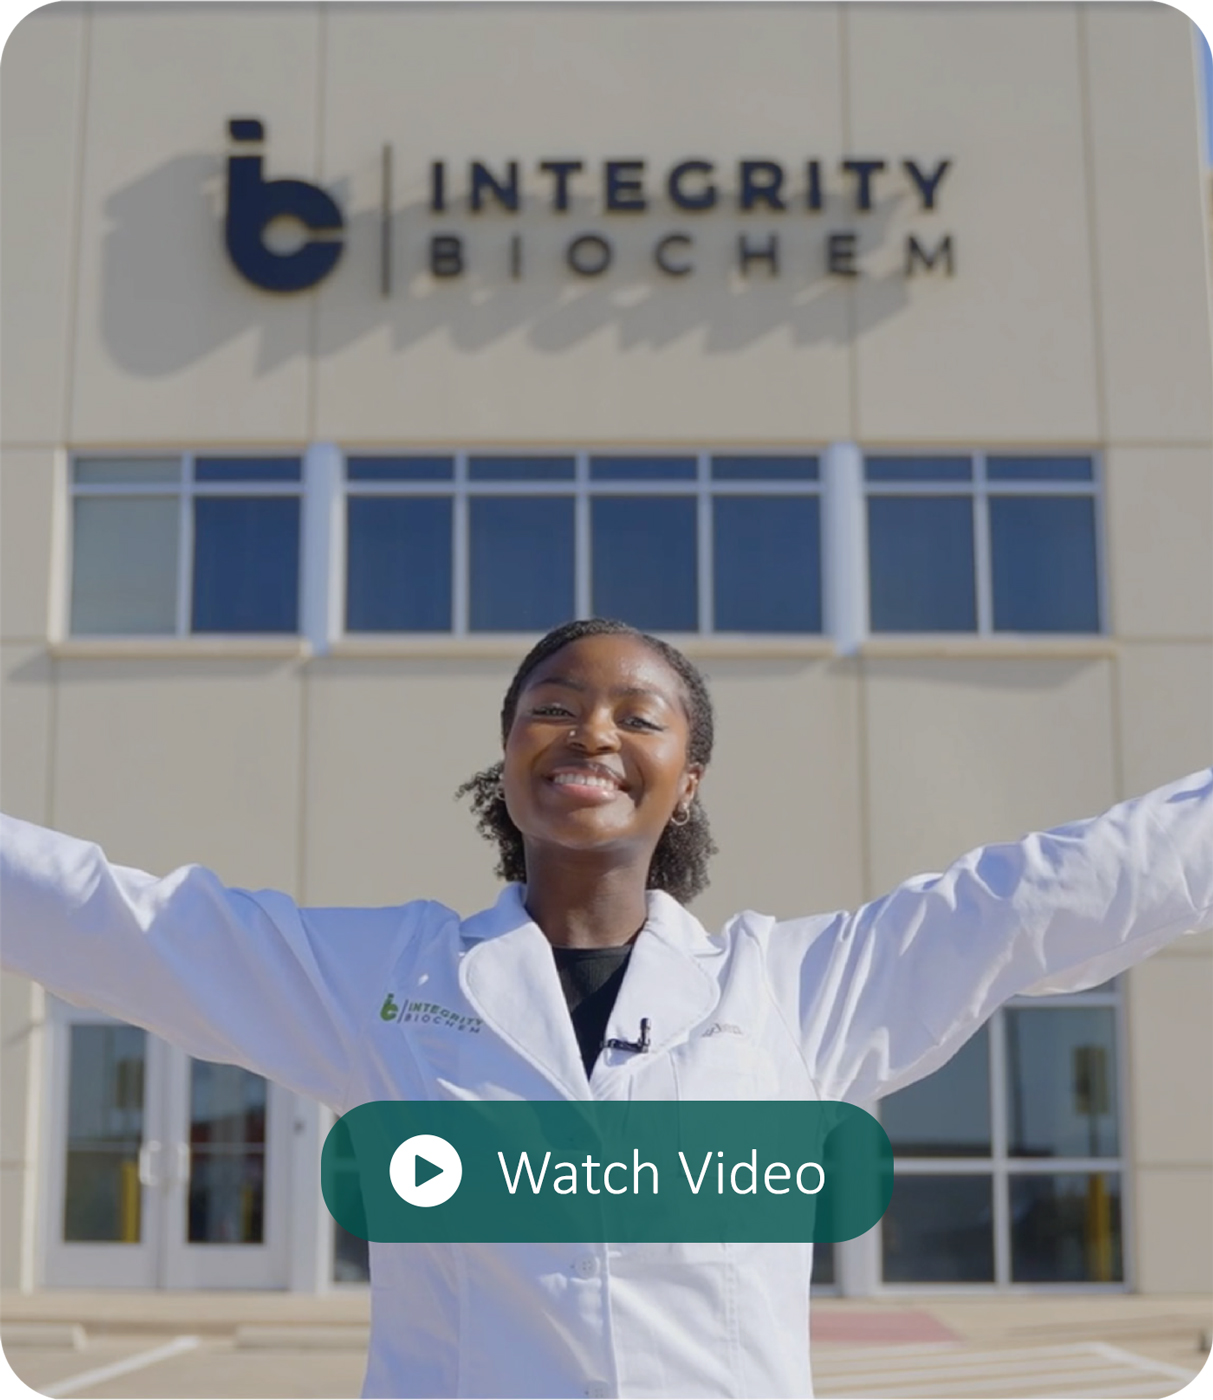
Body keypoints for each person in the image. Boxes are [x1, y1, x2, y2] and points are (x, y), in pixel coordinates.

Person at [1, 616, 1210, 1400]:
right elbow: (126, 922)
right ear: (508, 752)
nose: (591, 730)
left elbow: (1037, 895)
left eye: (639, 715)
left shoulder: (792, 990)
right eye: (553, 705)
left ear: (688, 779)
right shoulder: (387, 979)